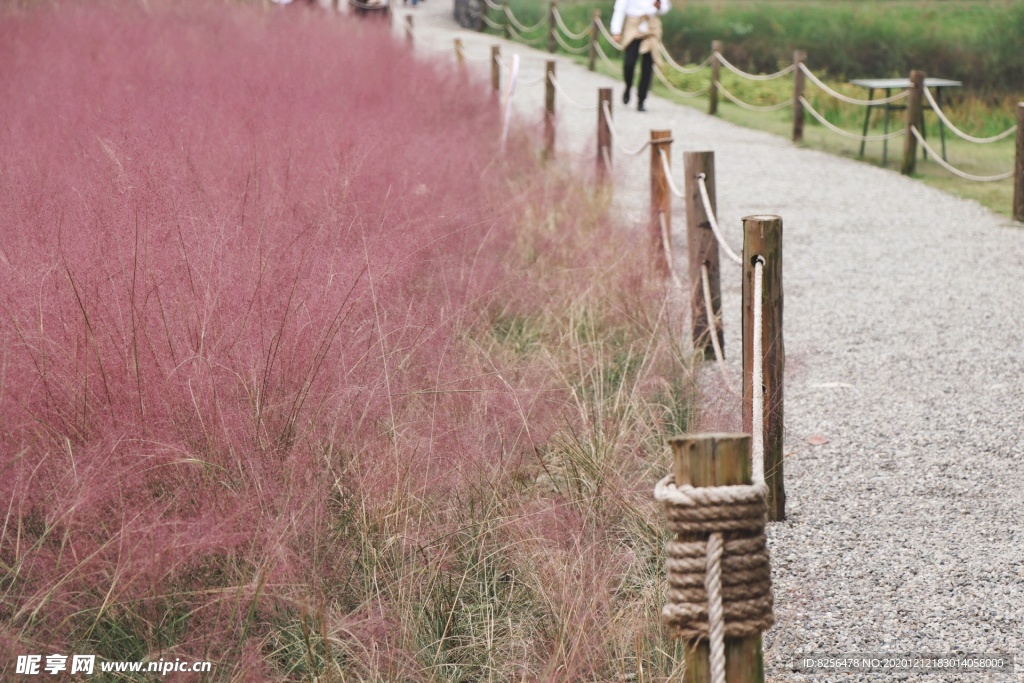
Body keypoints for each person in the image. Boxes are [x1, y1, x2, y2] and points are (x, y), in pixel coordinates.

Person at [611, 0, 670, 111]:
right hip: (633, 25)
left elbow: (665, 7)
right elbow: (619, 9)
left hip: (651, 27)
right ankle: (628, 86)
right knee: (629, 63)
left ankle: (641, 99)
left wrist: (659, 7)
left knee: (647, 67)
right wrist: (616, 31)